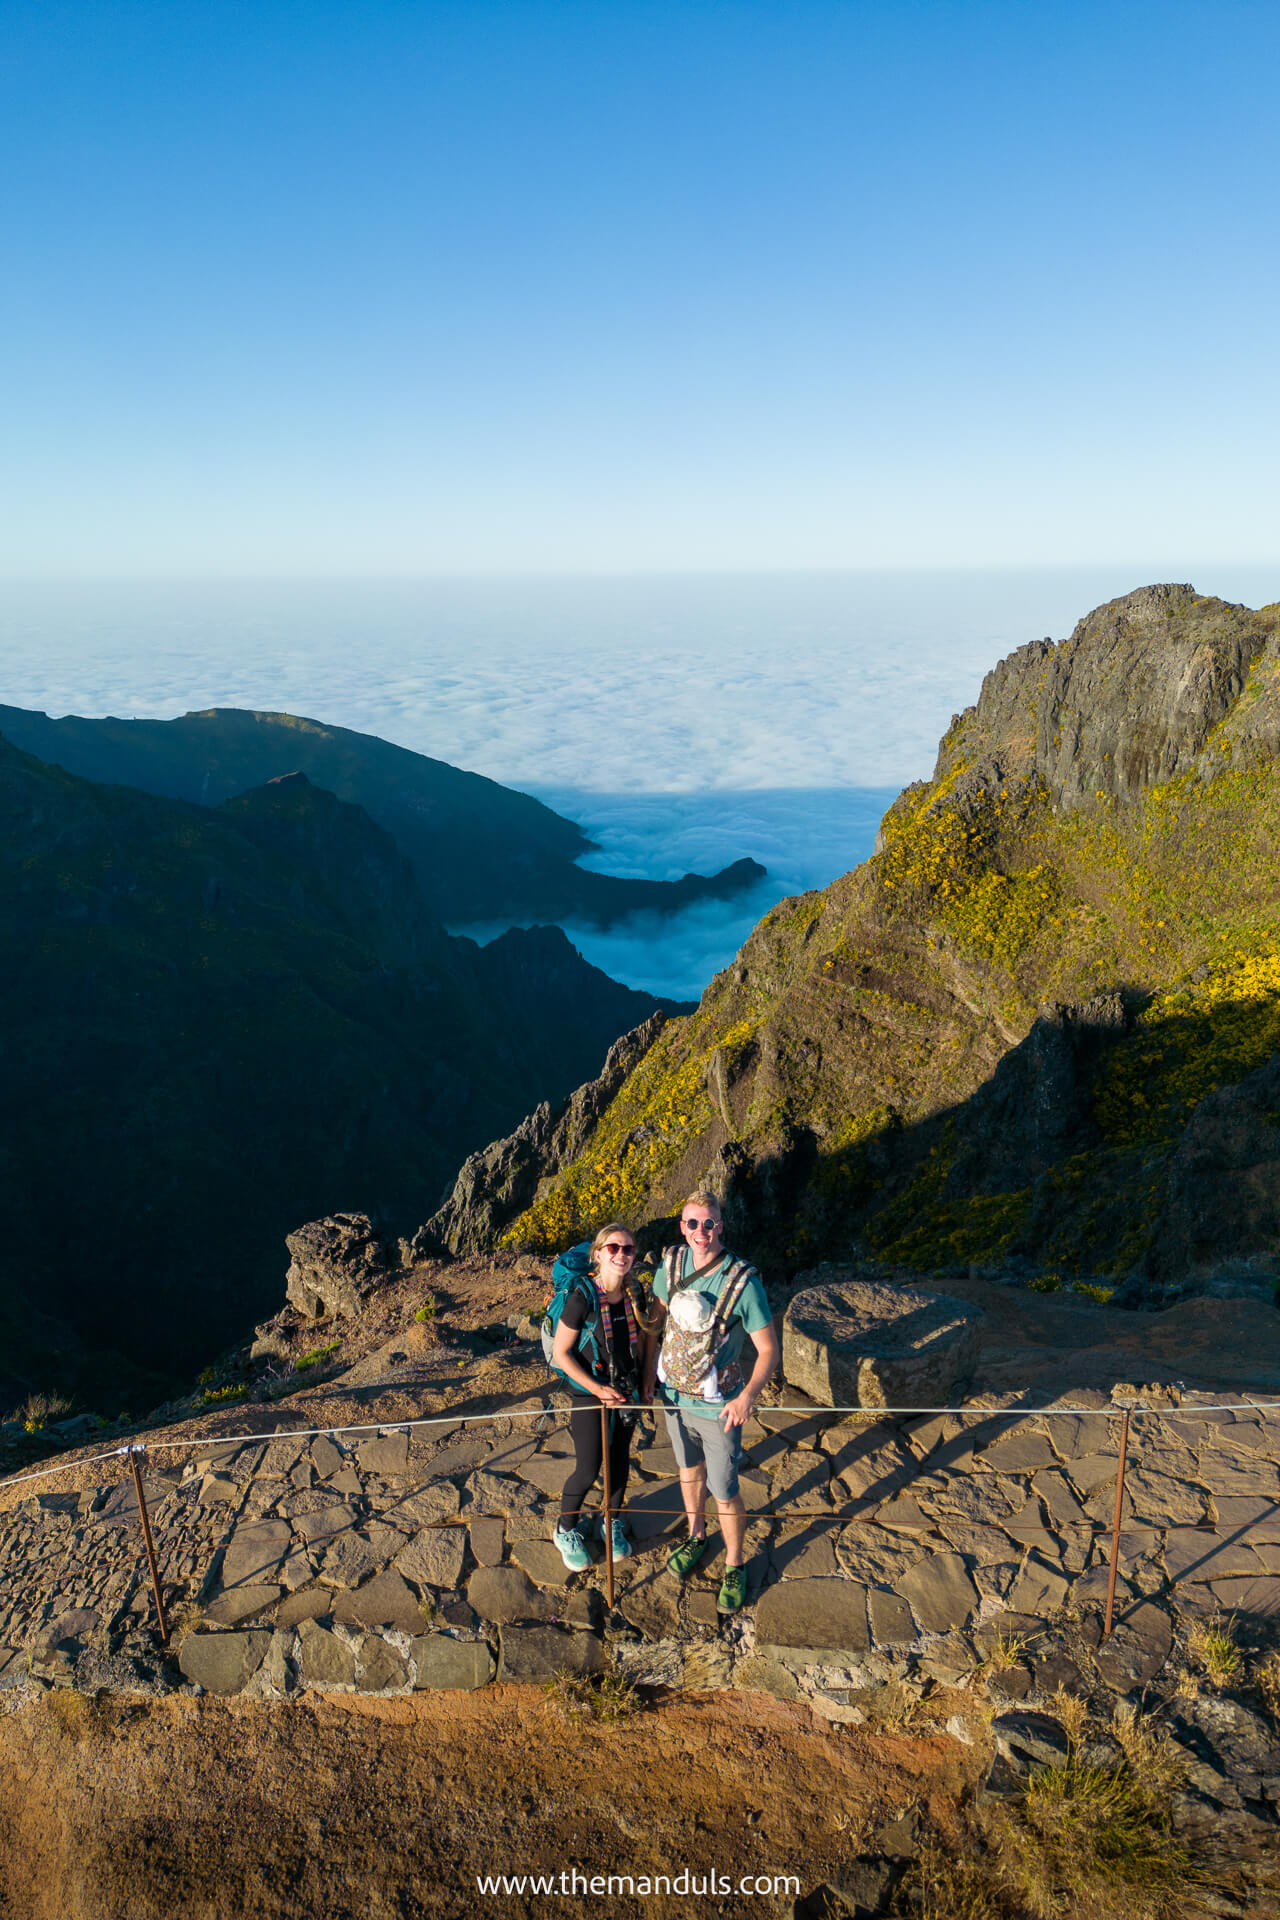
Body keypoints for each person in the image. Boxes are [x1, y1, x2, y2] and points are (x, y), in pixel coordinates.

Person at [641, 1189, 779, 1614]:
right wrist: (649, 1372)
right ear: (681, 1227)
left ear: (721, 1226)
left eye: (709, 1223)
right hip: (674, 1397)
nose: (701, 1231)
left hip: (720, 1404)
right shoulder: (671, 1266)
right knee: (687, 1470)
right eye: (692, 1223)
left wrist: (748, 1398)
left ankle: (735, 1563)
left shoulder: (743, 1282)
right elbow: (656, 1321)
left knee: (724, 1489)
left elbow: (769, 1348)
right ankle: (697, 1535)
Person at [548, 1221, 648, 1572]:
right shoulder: (583, 1297)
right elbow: (562, 1353)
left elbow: (644, 1342)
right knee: (588, 1469)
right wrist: (596, 1388)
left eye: (628, 1249)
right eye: (613, 1248)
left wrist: (642, 1385)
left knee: (619, 1462)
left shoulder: (636, 1294)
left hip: (625, 1392)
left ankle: (611, 1522)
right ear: (599, 1255)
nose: (621, 1254)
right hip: (589, 1393)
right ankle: (565, 1529)